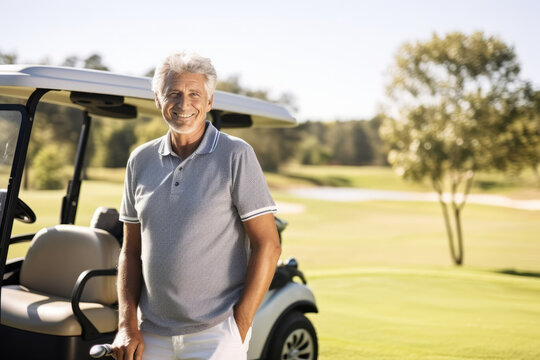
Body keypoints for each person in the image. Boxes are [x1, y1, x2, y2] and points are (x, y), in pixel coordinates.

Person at [111, 52, 282, 360]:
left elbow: (268, 245)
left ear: (210, 100)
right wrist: (127, 324)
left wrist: (238, 328)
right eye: (173, 94)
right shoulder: (140, 160)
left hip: (216, 334)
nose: (183, 104)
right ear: (157, 98)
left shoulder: (235, 155)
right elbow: (130, 250)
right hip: (151, 334)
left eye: (194, 94)